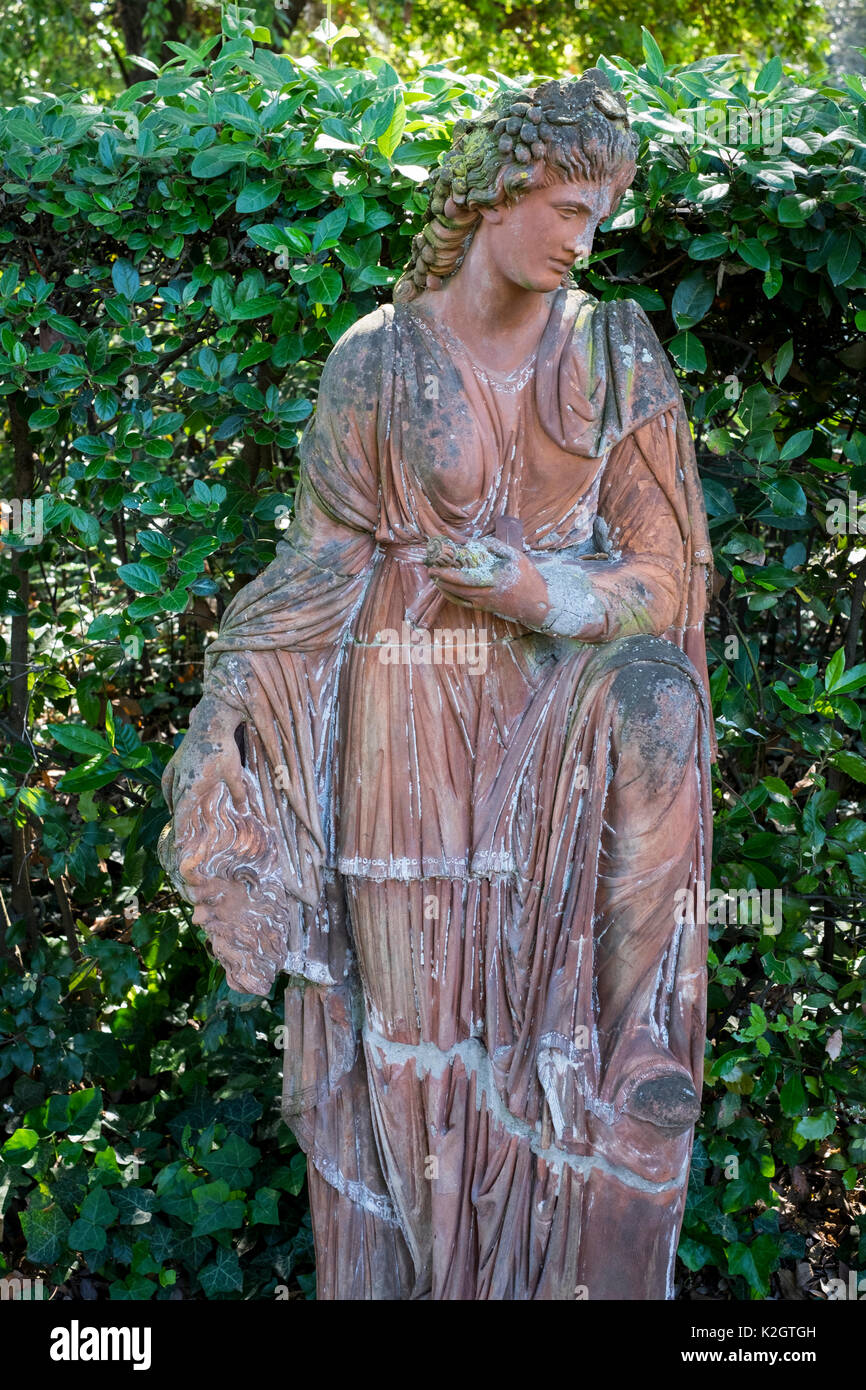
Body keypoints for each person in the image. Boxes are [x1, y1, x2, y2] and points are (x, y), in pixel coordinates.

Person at [159, 69, 716, 1300]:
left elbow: (664, 576)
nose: (585, 239)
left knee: (554, 1044)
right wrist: (226, 720)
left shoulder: (614, 355)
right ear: (493, 194)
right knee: (408, 1044)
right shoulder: (378, 359)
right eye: (567, 208)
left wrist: (547, 597)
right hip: (403, 727)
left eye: (598, 214)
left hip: (562, 731)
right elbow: (317, 570)